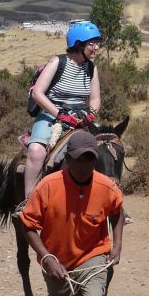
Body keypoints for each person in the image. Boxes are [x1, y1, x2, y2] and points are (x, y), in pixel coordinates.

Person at [17, 130, 125, 296]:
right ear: (67, 160)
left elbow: (118, 212)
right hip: (57, 259)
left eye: (89, 160)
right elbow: (28, 225)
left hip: (93, 257)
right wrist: (47, 257)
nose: (84, 165)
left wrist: (117, 244)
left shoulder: (105, 186)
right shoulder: (48, 186)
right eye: (79, 159)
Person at [23, 21, 102, 199]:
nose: (96, 48)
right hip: (52, 115)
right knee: (36, 151)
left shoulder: (91, 68)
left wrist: (92, 114)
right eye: (92, 44)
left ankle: (111, 199)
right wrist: (59, 114)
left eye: (97, 43)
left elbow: (95, 99)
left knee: (106, 147)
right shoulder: (58, 62)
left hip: (81, 116)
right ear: (78, 44)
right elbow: (38, 93)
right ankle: (28, 201)